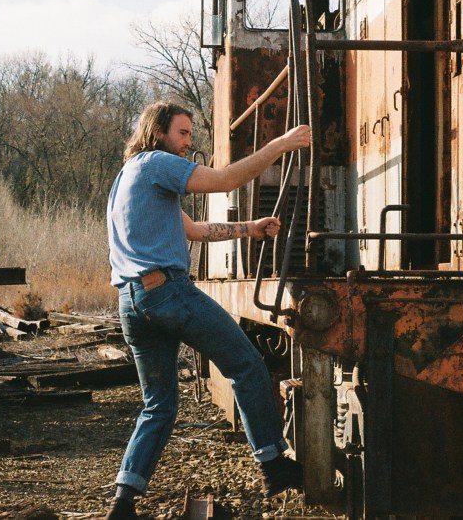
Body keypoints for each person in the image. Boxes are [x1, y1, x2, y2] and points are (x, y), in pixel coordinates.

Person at [104, 101, 311, 520]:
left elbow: (195, 230)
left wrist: (249, 229)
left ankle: (123, 502)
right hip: (167, 293)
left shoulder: (128, 177)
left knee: (158, 406)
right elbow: (226, 179)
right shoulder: (157, 163)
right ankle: (273, 465)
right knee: (246, 366)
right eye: (182, 133)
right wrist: (281, 144)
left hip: (132, 302)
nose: (188, 142)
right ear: (158, 132)